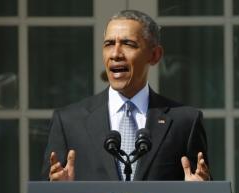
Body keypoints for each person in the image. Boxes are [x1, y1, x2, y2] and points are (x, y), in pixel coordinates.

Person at [42, 10, 210, 182]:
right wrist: (59, 190)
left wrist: (199, 192)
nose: (115, 54)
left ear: (154, 55)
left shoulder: (186, 122)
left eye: (128, 44)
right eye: (109, 44)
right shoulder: (68, 122)